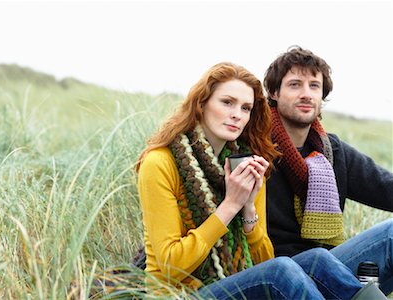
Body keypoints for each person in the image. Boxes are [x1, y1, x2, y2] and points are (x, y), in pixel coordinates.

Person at [135, 62, 379, 299]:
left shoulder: (246, 164)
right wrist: (231, 205)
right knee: (280, 271)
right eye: (227, 102)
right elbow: (170, 266)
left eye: (245, 108)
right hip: (180, 294)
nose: (236, 115)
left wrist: (248, 208)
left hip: (233, 283)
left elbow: (264, 261)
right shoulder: (161, 162)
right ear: (202, 103)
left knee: (317, 259)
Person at [263, 46, 393, 295]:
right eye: (295, 85)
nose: (306, 94)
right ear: (274, 92)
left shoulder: (331, 151)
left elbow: (385, 187)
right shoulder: (256, 147)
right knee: (314, 259)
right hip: (275, 274)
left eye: (314, 86)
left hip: (330, 267)